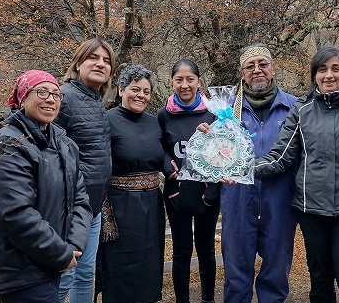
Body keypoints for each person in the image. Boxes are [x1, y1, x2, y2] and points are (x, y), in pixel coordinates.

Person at [255, 47, 339, 303]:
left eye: (335, 69)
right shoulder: (302, 109)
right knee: (320, 278)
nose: (329, 75)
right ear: (314, 75)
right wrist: (240, 167)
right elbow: (281, 157)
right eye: (322, 69)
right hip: (311, 210)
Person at [0, 70, 92, 303]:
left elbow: (80, 198)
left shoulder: (62, 142)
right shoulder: (6, 145)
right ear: (23, 97)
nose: (50, 99)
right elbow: (14, 214)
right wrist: (60, 253)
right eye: (42, 92)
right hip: (20, 269)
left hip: (49, 261)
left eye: (56, 94)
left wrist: (73, 245)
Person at [217, 43, 299, 303]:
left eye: (263, 64)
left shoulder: (295, 108)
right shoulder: (226, 111)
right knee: (236, 272)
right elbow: (216, 156)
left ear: (273, 69)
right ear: (242, 74)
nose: (257, 70)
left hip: (281, 200)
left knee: (276, 271)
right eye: (250, 66)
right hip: (238, 199)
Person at [95, 64, 166, 303]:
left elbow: (162, 156)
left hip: (152, 205)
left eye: (146, 92)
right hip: (119, 207)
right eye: (136, 89)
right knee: (122, 265)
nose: (141, 96)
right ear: (121, 89)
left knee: (149, 264)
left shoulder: (154, 122)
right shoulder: (107, 120)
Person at [55, 38, 116, 303]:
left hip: (91, 207)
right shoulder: (63, 97)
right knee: (65, 273)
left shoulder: (95, 100)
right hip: (67, 207)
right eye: (94, 58)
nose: (100, 64)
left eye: (106, 61)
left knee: (85, 273)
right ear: (78, 62)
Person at [158, 59, 220, 303]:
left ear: (198, 82)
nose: (184, 85)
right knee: (181, 252)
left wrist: (214, 190)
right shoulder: (164, 114)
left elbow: (223, 152)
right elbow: (158, 146)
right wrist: (166, 165)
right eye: (179, 80)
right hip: (176, 194)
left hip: (207, 194)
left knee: (206, 250)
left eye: (190, 79)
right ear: (172, 81)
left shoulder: (213, 112)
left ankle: (208, 299)